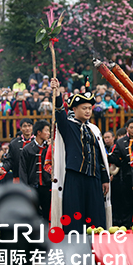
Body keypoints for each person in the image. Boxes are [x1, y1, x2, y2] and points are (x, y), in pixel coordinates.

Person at [50, 77, 111, 233]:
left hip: (94, 178)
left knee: (96, 216)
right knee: (74, 215)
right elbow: (59, 113)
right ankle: (74, 247)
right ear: (74, 109)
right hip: (74, 177)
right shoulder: (67, 126)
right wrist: (56, 93)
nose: (87, 111)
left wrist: (104, 179)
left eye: (89, 108)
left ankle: (98, 248)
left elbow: (100, 156)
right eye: (84, 108)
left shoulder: (94, 130)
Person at [109, 118, 133, 227]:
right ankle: (126, 224)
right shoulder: (120, 142)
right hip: (125, 177)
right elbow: (115, 159)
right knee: (126, 203)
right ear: (127, 128)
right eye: (131, 127)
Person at [19, 119, 52, 221]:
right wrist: (25, 187)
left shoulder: (50, 148)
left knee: (47, 213)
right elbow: (23, 170)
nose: (48, 133)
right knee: (33, 212)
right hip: (33, 186)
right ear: (39, 132)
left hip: (47, 185)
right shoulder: (27, 149)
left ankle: (46, 234)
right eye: (46, 130)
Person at [3, 118, 34, 183]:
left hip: (34, 179)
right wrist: (3, 168)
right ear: (21, 128)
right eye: (25, 126)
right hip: (18, 178)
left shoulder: (38, 142)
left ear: (32, 127)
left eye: (29, 126)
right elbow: (10, 160)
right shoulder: (14, 144)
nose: (27, 128)